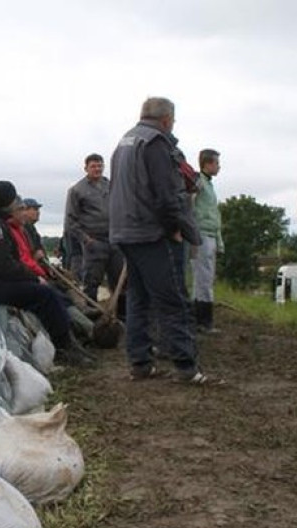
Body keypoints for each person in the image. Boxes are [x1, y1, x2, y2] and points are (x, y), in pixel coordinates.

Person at [109, 97, 211, 384]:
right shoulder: (156, 143)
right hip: (152, 232)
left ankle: (140, 363)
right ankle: (187, 368)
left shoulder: (125, 142)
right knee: (173, 300)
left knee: (139, 299)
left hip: (125, 230)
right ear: (167, 119)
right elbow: (167, 193)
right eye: (173, 121)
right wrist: (175, 227)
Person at [0, 181, 94, 365]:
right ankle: (64, 347)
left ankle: (71, 338)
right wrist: (34, 278)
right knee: (45, 294)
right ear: (6, 200)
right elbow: (3, 265)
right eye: (13, 198)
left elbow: (5, 264)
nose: (16, 202)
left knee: (50, 291)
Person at [65, 154, 126, 311]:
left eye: (100, 166)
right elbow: (71, 220)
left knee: (120, 281)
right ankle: (92, 316)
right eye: (93, 166)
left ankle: (122, 316)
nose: (97, 169)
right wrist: (86, 240)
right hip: (94, 242)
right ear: (86, 168)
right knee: (92, 281)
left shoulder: (110, 185)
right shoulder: (77, 190)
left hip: (114, 240)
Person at [191, 148, 224, 333]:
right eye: (217, 163)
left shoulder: (209, 185)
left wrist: (219, 241)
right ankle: (204, 321)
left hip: (210, 235)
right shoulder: (198, 182)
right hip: (201, 235)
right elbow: (190, 204)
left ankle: (200, 319)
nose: (219, 167)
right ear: (208, 164)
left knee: (205, 277)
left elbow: (214, 214)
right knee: (203, 278)